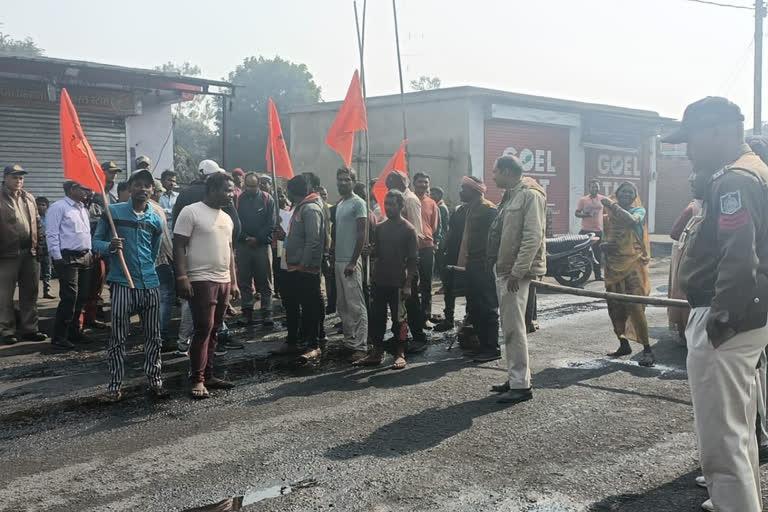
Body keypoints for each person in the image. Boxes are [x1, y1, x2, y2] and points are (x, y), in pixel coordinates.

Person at [669, 97, 768, 512]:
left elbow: (738, 254)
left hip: (725, 313)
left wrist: (722, 316)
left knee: (721, 437)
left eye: (691, 139)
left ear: (718, 132)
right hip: (747, 312)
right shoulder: (751, 170)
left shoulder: (734, 180)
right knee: (739, 425)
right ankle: (738, 499)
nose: (688, 150)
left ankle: (734, 503)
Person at [92, 169, 167, 400]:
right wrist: (109, 247)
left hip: (150, 283)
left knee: (153, 336)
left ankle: (155, 380)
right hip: (122, 282)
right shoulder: (112, 212)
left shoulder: (155, 219)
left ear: (152, 191)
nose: (143, 189)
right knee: (118, 337)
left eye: (147, 185)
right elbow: (95, 241)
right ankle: (115, 386)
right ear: (129, 187)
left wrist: (146, 268)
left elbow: (154, 252)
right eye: (138, 184)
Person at [174, 172, 241, 399]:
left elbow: (230, 251)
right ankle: (197, 380)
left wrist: (233, 282)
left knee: (215, 329)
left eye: (232, 190)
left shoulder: (227, 217)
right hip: (200, 279)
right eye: (227, 190)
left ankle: (209, 374)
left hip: (223, 280)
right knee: (203, 328)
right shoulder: (191, 211)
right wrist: (182, 277)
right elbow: (179, 246)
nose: (231, 195)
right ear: (212, 189)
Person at [487, 155, 546, 405]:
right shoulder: (512, 194)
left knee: (514, 329)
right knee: (509, 327)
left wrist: (517, 272)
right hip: (504, 269)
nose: (493, 176)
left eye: (495, 172)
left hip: (513, 273)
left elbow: (532, 237)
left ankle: (521, 385)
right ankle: (515, 379)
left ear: (507, 171)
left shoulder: (530, 195)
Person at [355, 189, 419, 370]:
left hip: (398, 283)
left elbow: (413, 260)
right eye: (386, 204)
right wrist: (370, 251)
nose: (388, 207)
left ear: (401, 206)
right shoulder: (380, 227)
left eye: (392, 204)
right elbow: (378, 252)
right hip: (379, 280)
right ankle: (376, 351)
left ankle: (400, 352)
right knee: (376, 317)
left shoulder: (409, 230)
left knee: (400, 320)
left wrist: (408, 285)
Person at [271, 174, 326, 360]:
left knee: (310, 307)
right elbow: (300, 237)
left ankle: (314, 344)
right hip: (293, 266)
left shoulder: (310, 209)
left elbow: (313, 241)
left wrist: (304, 264)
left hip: (305, 268)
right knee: (292, 305)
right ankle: (292, 341)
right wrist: (285, 236)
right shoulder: (300, 208)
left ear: (293, 193)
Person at [600, 182, 654, 367]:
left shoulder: (639, 210)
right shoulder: (608, 217)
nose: (627, 194)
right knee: (614, 305)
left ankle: (647, 349)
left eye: (631, 192)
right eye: (623, 191)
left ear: (634, 196)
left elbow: (632, 220)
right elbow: (606, 239)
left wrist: (612, 204)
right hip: (613, 265)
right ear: (618, 193)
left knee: (635, 306)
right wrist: (604, 246)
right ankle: (623, 344)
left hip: (633, 265)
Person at [46, 180, 96, 349]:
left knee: (82, 296)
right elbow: (52, 233)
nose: (87, 192)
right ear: (72, 189)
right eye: (84, 188)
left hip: (85, 256)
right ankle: (60, 335)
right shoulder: (59, 207)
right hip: (67, 258)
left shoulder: (82, 208)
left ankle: (75, 331)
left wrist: (89, 252)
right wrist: (57, 257)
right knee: (69, 297)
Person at [0, 164, 46, 346]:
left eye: (21, 177)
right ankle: (6, 330)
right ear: (5, 178)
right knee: (5, 295)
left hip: (30, 252)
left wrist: (40, 247)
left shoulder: (29, 197)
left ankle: (30, 329)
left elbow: (37, 223)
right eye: (14, 177)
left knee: (30, 292)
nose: (18, 181)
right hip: (6, 254)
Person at [455, 176, 498, 362]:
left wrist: (491, 260)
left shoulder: (489, 210)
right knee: (474, 307)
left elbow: (497, 237)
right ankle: (481, 345)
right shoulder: (469, 210)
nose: (461, 191)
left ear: (475, 191)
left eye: (464, 188)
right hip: (471, 263)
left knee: (487, 307)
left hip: (484, 264)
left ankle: (492, 348)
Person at [385, 170, 426, 351]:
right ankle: (401, 335)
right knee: (399, 301)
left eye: (392, 185)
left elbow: (416, 232)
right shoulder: (400, 199)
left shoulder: (409, 200)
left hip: (408, 258)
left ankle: (419, 336)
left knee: (410, 299)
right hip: (396, 259)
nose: (390, 189)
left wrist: (412, 260)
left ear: (402, 183)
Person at [333, 167, 368, 360]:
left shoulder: (359, 203)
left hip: (350, 261)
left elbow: (361, 234)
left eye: (347, 180)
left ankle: (361, 346)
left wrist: (353, 261)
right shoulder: (340, 204)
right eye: (340, 180)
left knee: (356, 305)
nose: (343, 183)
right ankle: (349, 341)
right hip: (338, 260)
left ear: (354, 182)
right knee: (343, 304)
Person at [236, 171, 276, 328]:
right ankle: (247, 312)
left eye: (253, 186)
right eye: (248, 186)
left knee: (265, 281)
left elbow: (271, 223)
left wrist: (257, 239)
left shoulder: (267, 199)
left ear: (259, 184)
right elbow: (236, 221)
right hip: (243, 245)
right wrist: (246, 238)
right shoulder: (239, 199)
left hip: (261, 247)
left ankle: (267, 312)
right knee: (245, 281)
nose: (250, 189)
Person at [668, 198, 701, 343]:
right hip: (689, 254)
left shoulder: (695, 206)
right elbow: (675, 232)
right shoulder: (694, 208)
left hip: (690, 254)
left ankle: (685, 330)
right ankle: (684, 330)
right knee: (684, 291)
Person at [413, 172, 439, 326]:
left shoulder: (431, 203)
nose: (423, 185)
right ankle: (414, 315)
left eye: (426, 182)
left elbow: (434, 226)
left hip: (427, 247)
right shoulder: (408, 200)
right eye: (420, 182)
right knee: (411, 283)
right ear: (414, 183)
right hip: (411, 248)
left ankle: (425, 316)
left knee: (426, 283)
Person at [575, 180, 606, 280]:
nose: (595, 189)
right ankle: (576, 275)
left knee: (597, 253)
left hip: (598, 231)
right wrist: (587, 215)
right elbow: (577, 213)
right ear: (589, 188)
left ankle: (598, 276)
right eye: (593, 187)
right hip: (586, 231)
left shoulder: (603, 199)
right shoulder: (583, 200)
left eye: (596, 187)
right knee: (581, 254)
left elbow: (608, 210)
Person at [36, 196, 55, 299]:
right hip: (36, 246)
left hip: (47, 246)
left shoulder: (50, 218)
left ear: (47, 207)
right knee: (35, 270)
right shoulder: (33, 218)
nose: (40, 207)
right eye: (38, 205)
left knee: (47, 269)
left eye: (43, 205)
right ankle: (33, 292)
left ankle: (47, 290)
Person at [430, 186, 450, 278]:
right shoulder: (439, 206)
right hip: (441, 238)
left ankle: (444, 284)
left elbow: (439, 226)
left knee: (440, 262)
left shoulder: (441, 208)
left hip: (441, 239)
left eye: (433, 194)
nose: (431, 195)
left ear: (439, 195)